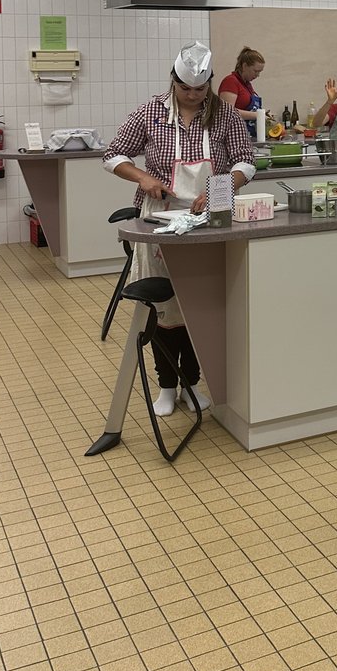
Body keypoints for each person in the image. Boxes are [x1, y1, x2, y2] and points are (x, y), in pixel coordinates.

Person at [103, 42, 255, 417]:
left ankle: (192, 383)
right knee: (164, 306)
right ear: (173, 80)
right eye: (185, 87)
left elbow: (246, 162)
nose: (192, 95)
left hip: (211, 217)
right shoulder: (151, 112)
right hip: (161, 217)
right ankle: (167, 386)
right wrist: (143, 178)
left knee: (201, 304)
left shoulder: (225, 115)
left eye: (200, 89)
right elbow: (113, 155)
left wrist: (222, 187)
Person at [218, 47, 265, 137]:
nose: (258, 75)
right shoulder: (230, 82)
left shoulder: (247, 85)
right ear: (244, 66)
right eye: (255, 71)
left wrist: (264, 114)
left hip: (247, 134)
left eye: (260, 72)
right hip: (233, 135)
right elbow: (227, 112)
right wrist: (257, 115)